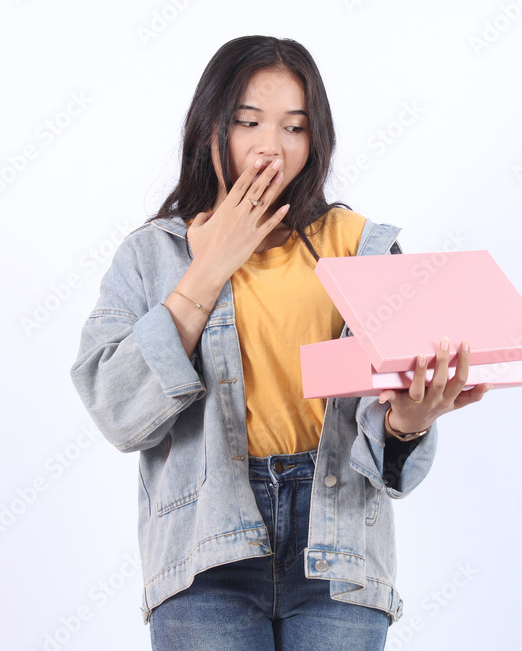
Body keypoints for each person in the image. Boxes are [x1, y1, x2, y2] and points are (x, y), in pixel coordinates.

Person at [69, 35, 491, 651]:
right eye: (248, 122)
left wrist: (410, 421)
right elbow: (116, 409)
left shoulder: (360, 246)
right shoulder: (152, 254)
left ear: (314, 139)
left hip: (339, 548)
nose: (271, 146)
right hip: (203, 549)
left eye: (294, 127)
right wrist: (206, 269)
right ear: (210, 126)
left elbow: (393, 443)